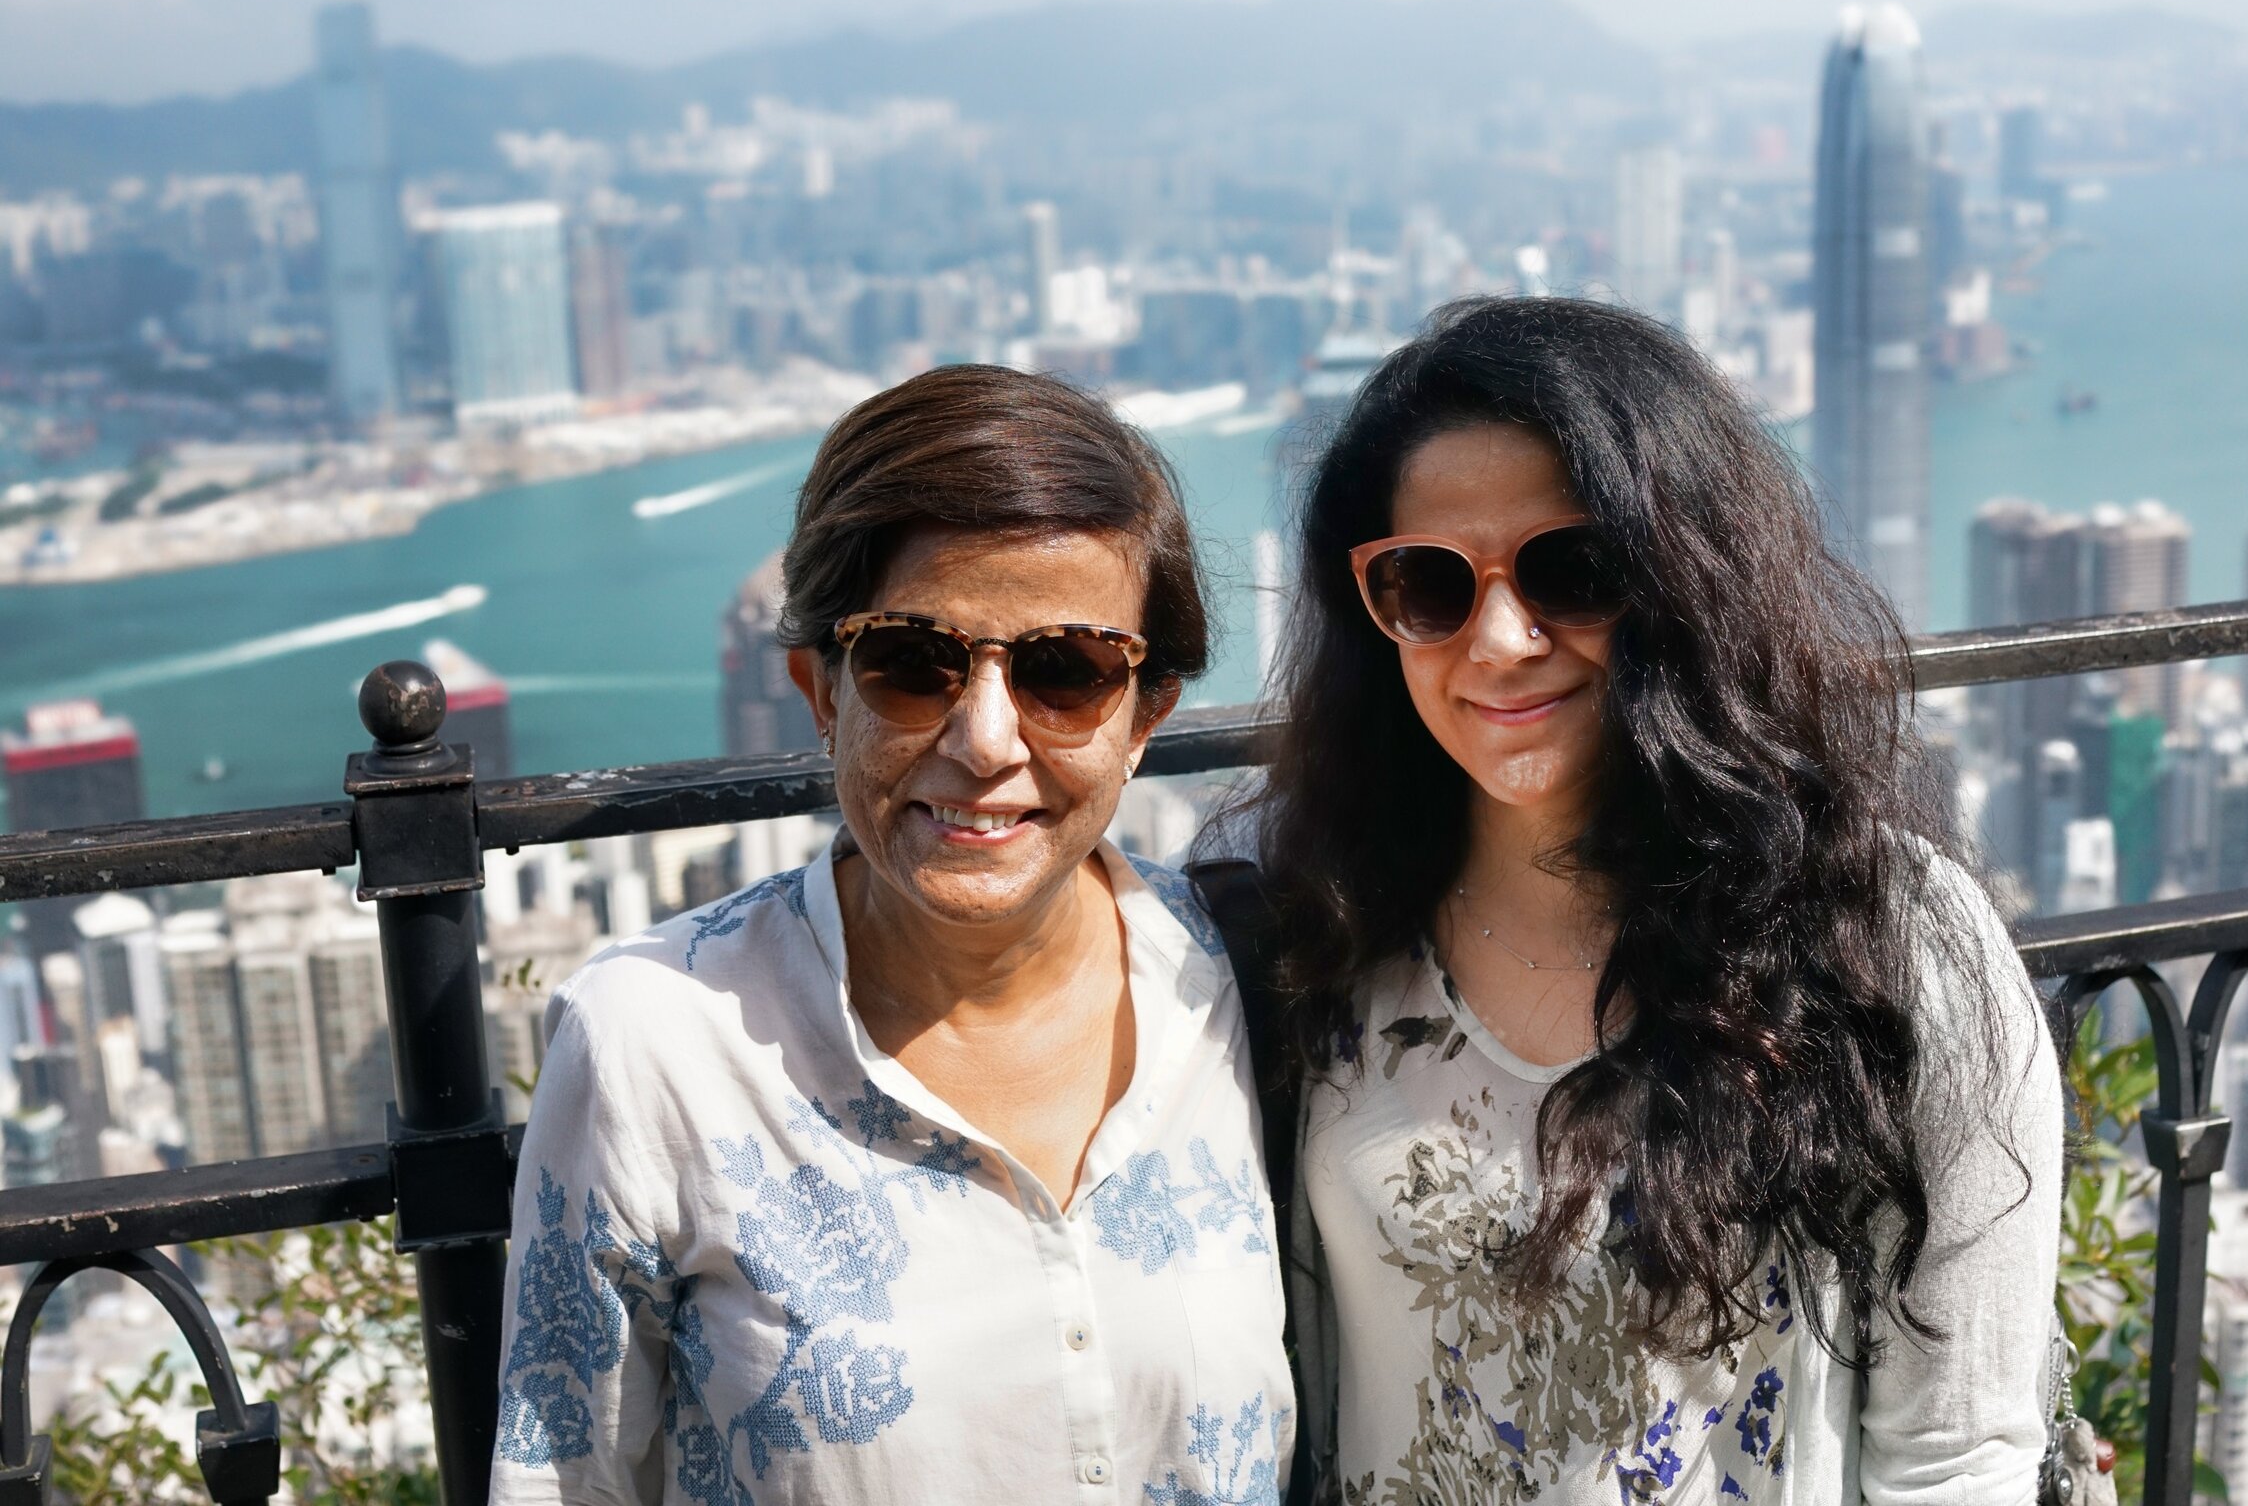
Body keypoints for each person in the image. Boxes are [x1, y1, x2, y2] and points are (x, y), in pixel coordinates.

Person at [1256, 297, 2061, 1504]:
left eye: (1570, 569)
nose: (1502, 638)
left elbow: (1960, 1451)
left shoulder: (1888, 938)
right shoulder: (1324, 935)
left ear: (1684, 577)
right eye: (1428, 586)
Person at [489, 365, 1293, 1505]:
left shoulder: (1229, 974)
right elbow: (565, 1483)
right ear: (823, 692)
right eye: (912, 661)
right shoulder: (657, 1043)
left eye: (1066, 672)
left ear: (1144, 716)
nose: (983, 740)